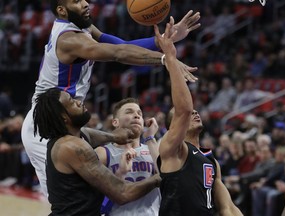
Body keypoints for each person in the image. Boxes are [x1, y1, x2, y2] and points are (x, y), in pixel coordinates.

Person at [21, 0, 201, 196]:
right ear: (62, 10)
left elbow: (122, 45)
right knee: (70, 201)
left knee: (87, 199)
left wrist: (165, 39)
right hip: (45, 124)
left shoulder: (83, 26)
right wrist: (166, 59)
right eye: (76, 1)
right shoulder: (69, 39)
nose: (85, 3)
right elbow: (118, 53)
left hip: (65, 120)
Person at [154, 22, 243, 216]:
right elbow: (184, 110)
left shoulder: (211, 160)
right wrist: (170, 56)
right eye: (183, 117)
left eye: (196, 112)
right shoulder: (173, 149)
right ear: (174, 127)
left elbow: (227, 207)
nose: (194, 113)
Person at [32, 87, 161, 216]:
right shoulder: (72, 147)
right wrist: (160, 177)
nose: (79, 102)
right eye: (72, 102)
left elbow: (90, 135)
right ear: (64, 117)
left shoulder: (74, 137)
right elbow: (122, 193)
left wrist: (114, 136)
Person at [95, 98, 160, 216]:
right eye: (129, 112)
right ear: (115, 122)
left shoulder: (153, 149)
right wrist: (121, 173)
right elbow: (98, 204)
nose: (136, 115)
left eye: (139, 113)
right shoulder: (103, 153)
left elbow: (167, 179)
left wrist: (150, 137)